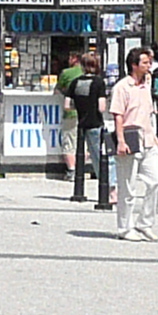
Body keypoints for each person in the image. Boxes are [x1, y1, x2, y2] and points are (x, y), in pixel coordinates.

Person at [108, 48, 158, 242]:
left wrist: (155, 139)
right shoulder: (122, 87)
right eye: (145, 63)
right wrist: (121, 141)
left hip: (148, 139)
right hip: (129, 138)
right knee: (128, 188)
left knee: (157, 182)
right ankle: (124, 227)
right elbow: (117, 115)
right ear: (134, 66)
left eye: (149, 62)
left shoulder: (147, 84)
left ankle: (144, 223)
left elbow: (149, 113)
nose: (149, 66)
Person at [62, 46, 108, 204]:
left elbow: (67, 105)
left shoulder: (75, 82)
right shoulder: (98, 82)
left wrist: (80, 106)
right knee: (98, 156)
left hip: (80, 122)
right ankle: (106, 188)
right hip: (95, 122)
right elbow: (102, 107)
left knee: (77, 151)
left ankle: (79, 187)